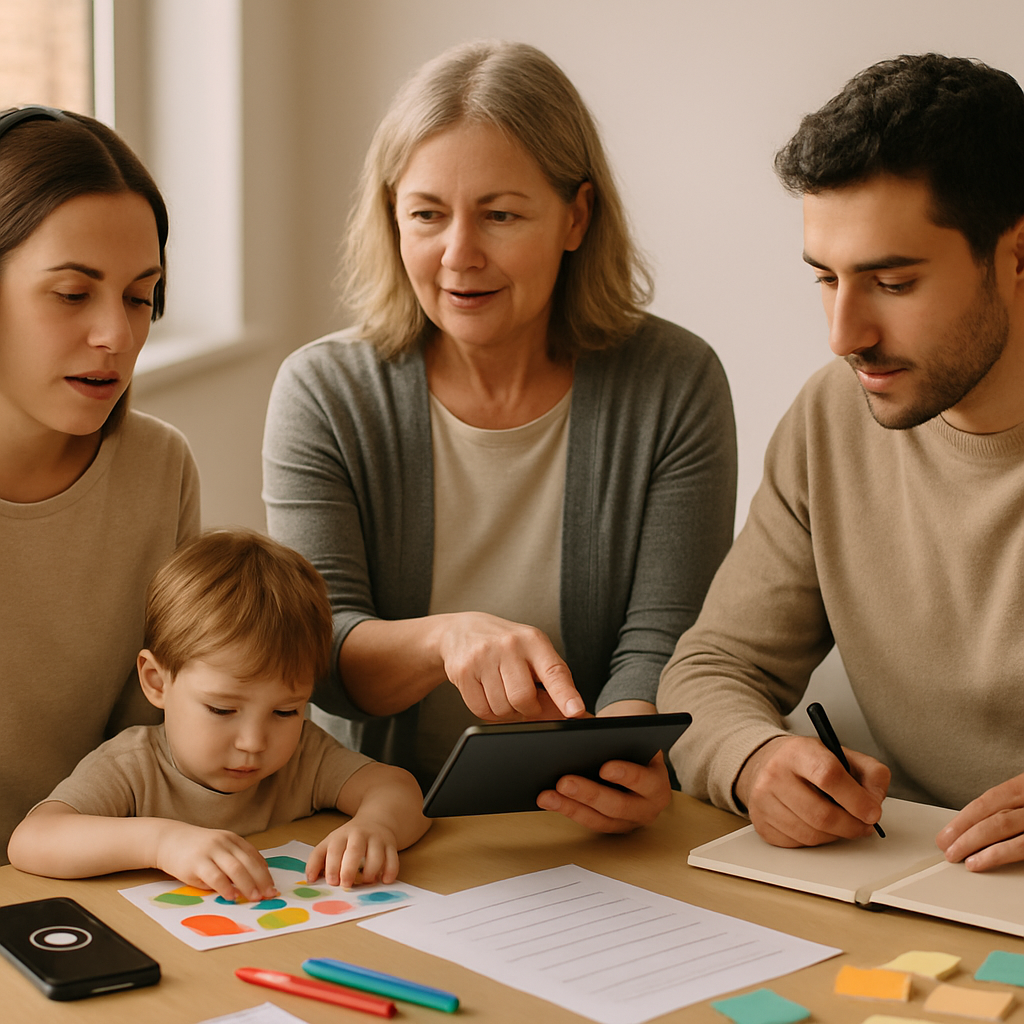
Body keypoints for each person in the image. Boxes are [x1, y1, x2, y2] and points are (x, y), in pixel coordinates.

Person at [263, 40, 736, 834]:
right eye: (426, 215)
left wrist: (623, 755)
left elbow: (663, 636)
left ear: (576, 217)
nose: (458, 256)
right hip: (376, 824)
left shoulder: (675, 382)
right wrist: (448, 638)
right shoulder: (323, 393)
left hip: (586, 826)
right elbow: (321, 656)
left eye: (500, 214)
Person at [658, 53, 1024, 871]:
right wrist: (755, 761)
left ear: (1018, 255)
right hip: (920, 891)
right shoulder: (834, 415)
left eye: (892, 283)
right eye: (827, 278)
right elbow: (714, 667)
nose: (843, 334)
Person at [8, 529, 430, 899]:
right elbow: (32, 840)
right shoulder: (132, 767)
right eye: (222, 709)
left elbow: (398, 789)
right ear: (157, 681)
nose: (253, 741)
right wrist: (161, 843)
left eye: (286, 711)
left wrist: (378, 826)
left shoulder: (305, 756)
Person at [0, 106, 200, 863]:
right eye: (72, 293)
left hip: (94, 885)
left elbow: (149, 744)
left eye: (139, 297)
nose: (116, 335)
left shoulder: (160, 470)